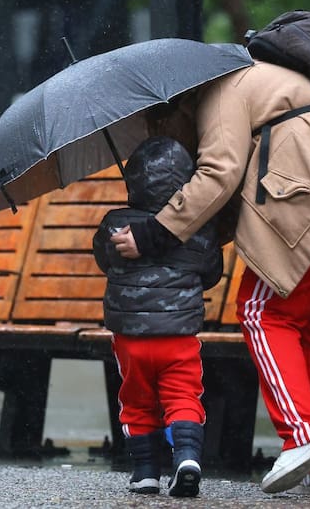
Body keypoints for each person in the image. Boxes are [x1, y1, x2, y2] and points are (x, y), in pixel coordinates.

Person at [110, 60, 310, 497]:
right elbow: (229, 199)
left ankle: (303, 435)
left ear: (173, 107)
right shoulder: (265, 83)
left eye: (159, 125)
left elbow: (218, 175)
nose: (165, 140)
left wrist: (153, 233)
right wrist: (186, 243)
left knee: (262, 311)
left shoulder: (220, 92)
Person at [92, 135, 223, 497]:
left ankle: (145, 472)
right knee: (183, 397)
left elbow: (104, 260)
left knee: (136, 401)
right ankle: (186, 457)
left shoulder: (113, 225)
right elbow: (211, 273)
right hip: (178, 336)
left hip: (130, 339)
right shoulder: (197, 226)